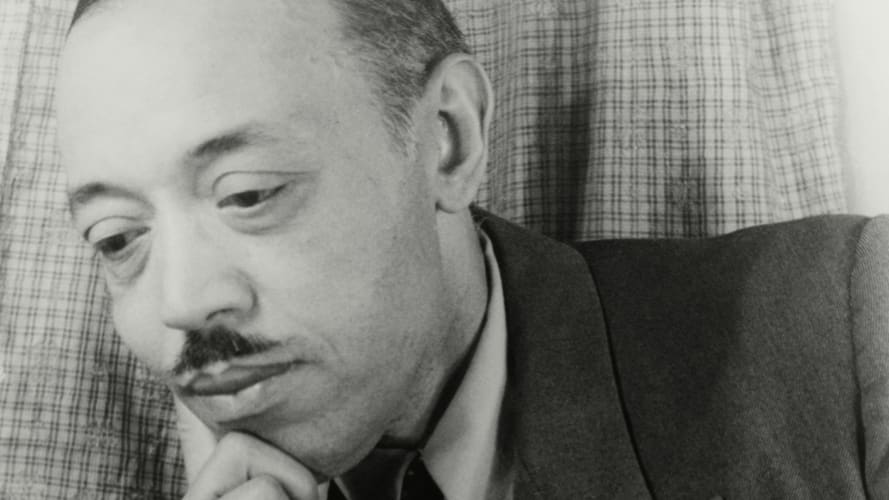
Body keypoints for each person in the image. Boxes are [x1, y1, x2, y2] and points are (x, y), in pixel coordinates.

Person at [55, 0, 889, 499]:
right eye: (118, 238)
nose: (181, 302)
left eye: (248, 195)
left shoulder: (853, 320)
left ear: (448, 140)